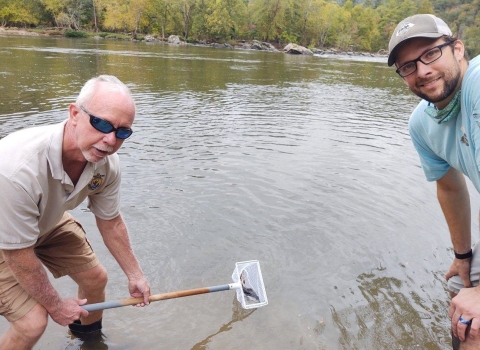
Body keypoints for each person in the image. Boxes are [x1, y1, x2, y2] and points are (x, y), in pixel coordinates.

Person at [0, 75, 151, 349]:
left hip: (46, 221)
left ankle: (89, 341)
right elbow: (16, 252)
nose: (110, 139)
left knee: (96, 279)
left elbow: (111, 222)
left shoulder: (107, 164)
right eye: (102, 123)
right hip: (6, 240)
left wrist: (135, 275)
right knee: (32, 323)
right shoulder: (16, 168)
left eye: (123, 132)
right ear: (74, 114)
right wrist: (56, 305)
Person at [387, 14, 480, 350]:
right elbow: (449, 185)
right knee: (462, 313)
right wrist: (463, 254)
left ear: (458, 48)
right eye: (408, 66)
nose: (421, 71)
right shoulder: (422, 124)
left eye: (430, 54)